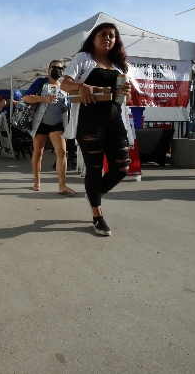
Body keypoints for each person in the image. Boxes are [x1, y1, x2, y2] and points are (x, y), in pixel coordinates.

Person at [61, 22, 134, 236]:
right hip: (89, 121)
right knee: (94, 168)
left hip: (115, 120)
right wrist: (81, 86)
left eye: (112, 35)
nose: (108, 38)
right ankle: (97, 215)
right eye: (103, 34)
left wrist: (127, 91)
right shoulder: (83, 59)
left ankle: (94, 192)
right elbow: (65, 84)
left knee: (122, 168)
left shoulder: (119, 65)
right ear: (94, 37)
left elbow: (125, 98)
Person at [22, 59, 76, 195]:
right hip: (40, 123)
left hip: (57, 123)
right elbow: (26, 98)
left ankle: (62, 186)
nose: (58, 70)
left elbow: (70, 103)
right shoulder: (41, 82)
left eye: (61, 68)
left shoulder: (64, 86)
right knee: (38, 152)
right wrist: (44, 99)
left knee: (62, 152)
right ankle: (37, 181)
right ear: (49, 69)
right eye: (55, 67)